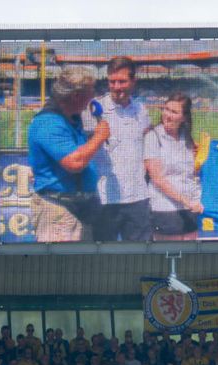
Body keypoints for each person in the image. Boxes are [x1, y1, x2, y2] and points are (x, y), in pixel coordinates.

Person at [28, 65, 110, 242]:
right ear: (76, 95)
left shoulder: (72, 117)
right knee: (64, 260)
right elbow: (74, 163)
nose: (94, 95)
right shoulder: (48, 122)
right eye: (91, 91)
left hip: (82, 207)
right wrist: (99, 137)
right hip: (59, 209)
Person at [82, 56, 151, 241]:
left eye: (122, 81)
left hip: (137, 197)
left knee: (141, 254)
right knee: (104, 255)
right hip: (105, 198)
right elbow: (80, 146)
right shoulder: (94, 109)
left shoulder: (141, 110)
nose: (116, 87)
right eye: (112, 82)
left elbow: (149, 144)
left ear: (133, 81)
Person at [144, 94, 202, 240]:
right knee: (169, 252)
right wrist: (185, 200)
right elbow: (158, 179)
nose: (167, 115)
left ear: (184, 117)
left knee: (189, 252)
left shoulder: (186, 138)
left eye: (174, 112)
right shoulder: (153, 137)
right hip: (164, 208)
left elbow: (191, 174)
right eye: (166, 109)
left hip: (189, 208)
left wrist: (195, 200)